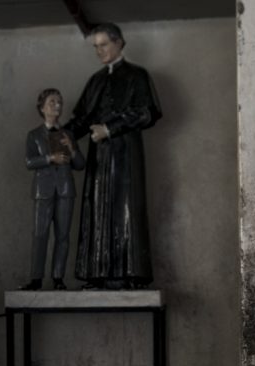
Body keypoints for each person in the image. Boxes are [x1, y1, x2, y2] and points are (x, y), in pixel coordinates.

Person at [64, 23, 162, 290]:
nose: (99, 51)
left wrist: (110, 128)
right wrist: (60, 137)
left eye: (103, 44)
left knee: (126, 207)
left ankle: (130, 273)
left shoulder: (138, 75)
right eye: (95, 46)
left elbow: (147, 112)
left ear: (119, 43)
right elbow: (81, 119)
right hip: (99, 156)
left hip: (126, 153)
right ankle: (96, 274)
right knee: (96, 208)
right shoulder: (95, 80)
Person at [21, 88, 85, 291]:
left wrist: (72, 149)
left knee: (63, 235)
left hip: (66, 189)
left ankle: (58, 277)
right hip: (43, 189)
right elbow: (29, 162)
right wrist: (50, 158)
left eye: (59, 102)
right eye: (52, 102)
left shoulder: (68, 134)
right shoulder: (34, 135)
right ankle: (36, 278)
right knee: (40, 234)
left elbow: (80, 164)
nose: (57, 105)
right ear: (42, 107)